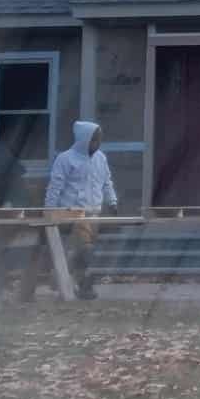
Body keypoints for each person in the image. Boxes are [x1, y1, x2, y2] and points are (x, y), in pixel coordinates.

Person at [32, 121, 119, 300]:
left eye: (99, 140)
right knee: (85, 248)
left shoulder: (100, 158)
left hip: (94, 211)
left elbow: (106, 181)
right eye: (95, 140)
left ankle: (70, 281)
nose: (98, 144)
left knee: (81, 250)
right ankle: (79, 283)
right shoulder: (66, 159)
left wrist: (112, 201)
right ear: (84, 139)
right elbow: (55, 186)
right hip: (71, 212)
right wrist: (49, 210)